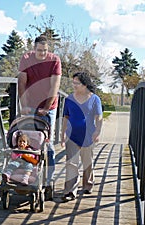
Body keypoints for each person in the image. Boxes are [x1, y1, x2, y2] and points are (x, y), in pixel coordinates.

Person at [18, 35, 62, 199]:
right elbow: (21, 82)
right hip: (30, 105)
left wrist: (45, 108)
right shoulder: (26, 58)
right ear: (34, 48)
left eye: (45, 51)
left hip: (48, 106)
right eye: (39, 51)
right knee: (27, 140)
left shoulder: (54, 60)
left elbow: (55, 86)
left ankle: (48, 181)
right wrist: (24, 106)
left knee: (47, 145)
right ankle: (26, 175)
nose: (42, 54)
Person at [61, 72, 103, 201]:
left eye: (76, 83)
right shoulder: (68, 99)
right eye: (73, 82)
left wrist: (97, 131)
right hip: (72, 136)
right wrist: (62, 134)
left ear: (84, 84)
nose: (74, 85)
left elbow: (99, 117)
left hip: (88, 136)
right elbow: (65, 118)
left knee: (87, 162)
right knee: (71, 164)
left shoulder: (94, 98)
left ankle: (88, 184)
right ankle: (70, 191)